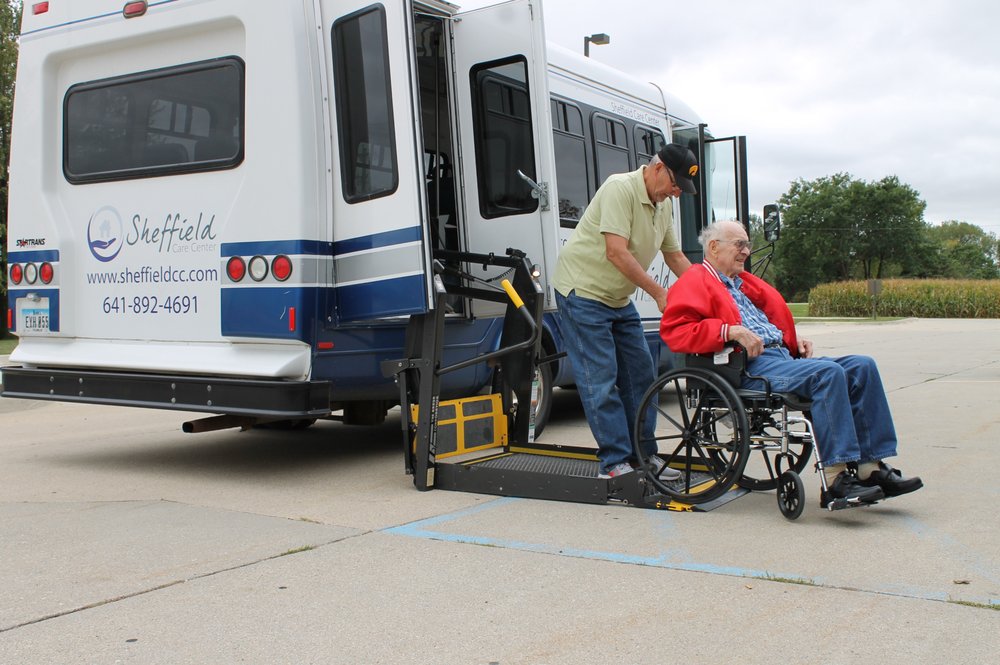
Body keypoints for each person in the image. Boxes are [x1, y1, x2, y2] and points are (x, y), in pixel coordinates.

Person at [660, 220, 923, 508]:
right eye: (740, 244)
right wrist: (728, 331)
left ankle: (870, 467)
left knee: (863, 366)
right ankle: (836, 479)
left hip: (780, 357)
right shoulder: (694, 281)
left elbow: (766, 322)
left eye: (747, 245)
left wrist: (791, 340)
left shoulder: (741, 284)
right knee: (828, 374)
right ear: (714, 247)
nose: (746, 251)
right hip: (745, 366)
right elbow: (676, 332)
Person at [552, 143, 697, 479]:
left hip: (617, 299)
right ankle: (615, 463)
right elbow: (616, 253)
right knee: (600, 379)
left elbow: (675, 257)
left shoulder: (662, 207)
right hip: (583, 292)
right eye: (675, 184)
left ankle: (644, 457)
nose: (676, 193)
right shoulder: (621, 188)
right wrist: (658, 292)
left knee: (641, 375)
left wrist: (709, 291)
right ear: (658, 168)